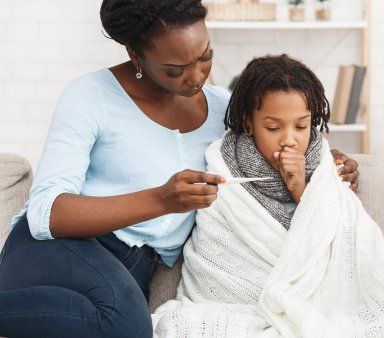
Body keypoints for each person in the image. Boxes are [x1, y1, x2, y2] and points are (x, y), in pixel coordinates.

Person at [0, 1, 359, 337]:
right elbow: (46, 213)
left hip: (130, 270)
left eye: (206, 57)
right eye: (175, 70)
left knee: (118, 321)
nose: (196, 77)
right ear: (135, 55)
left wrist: (326, 162)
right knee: (126, 322)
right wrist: (161, 199)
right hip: (61, 249)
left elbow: (276, 144)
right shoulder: (91, 96)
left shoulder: (225, 110)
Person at [152, 54, 384, 337]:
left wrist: (301, 186)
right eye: (273, 128)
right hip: (246, 303)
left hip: (328, 296)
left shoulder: (326, 164)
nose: (290, 140)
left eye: (301, 126)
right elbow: (219, 258)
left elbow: (346, 241)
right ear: (249, 123)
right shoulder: (220, 167)